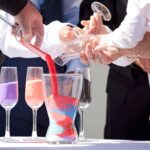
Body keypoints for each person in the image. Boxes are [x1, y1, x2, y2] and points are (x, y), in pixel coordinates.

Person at [0, 0, 85, 137]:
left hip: (63, 93)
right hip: (17, 94)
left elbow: (73, 13)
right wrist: (59, 36)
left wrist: (75, 70)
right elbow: (6, 38)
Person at [79, 0, 150, 140]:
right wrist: (105, 37)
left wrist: (111, 42)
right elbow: (91, 8)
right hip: (126, 89)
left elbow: (131, 33)